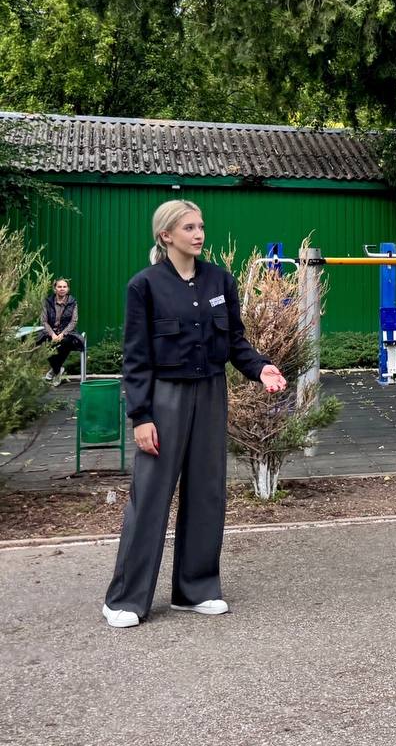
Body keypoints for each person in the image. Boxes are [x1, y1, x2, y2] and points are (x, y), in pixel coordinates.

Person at [102, 200, 286, 628]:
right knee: (149, 498)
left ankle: (196, 589)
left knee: (207, 492)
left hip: (211, 393)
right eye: (189, 227)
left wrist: (260, 368)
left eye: (201, 225)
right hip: (164, 398)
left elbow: (235, 341)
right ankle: (125, 599)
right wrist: (141, 416)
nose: (199, 233)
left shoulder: (220, 279)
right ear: (166, 235)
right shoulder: (144, 286)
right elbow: (136, 358)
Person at [37, 278, 83, 386]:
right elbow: (43, 321)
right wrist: (52, 334)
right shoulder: (47, 302)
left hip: (68, 333)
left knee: (64, 342)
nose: (62, 289)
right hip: (50, 332)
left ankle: (54, 370)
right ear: (55, 289)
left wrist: (62, 334)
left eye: (64, 287)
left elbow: (74, 321)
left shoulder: (72, 302)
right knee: (44, 342)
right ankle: (58, 371)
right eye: (59, 287)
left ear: (68, 289)